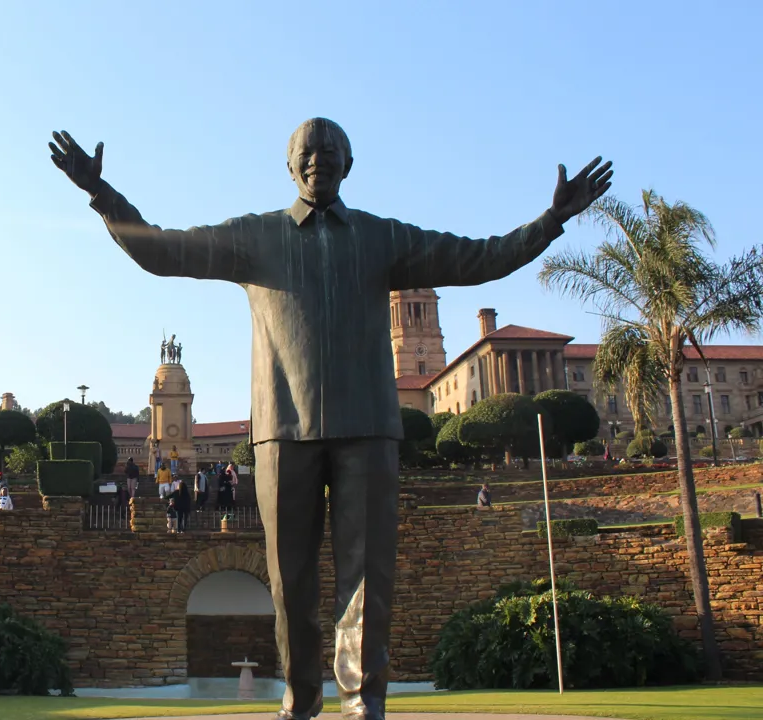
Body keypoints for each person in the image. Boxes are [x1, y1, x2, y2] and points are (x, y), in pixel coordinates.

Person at [50, 118, 611, 720]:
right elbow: (161, 250)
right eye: (307, 152)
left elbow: (477, 258)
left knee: (368, 578)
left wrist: (551, 221)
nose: (318, 159)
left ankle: (363, 700)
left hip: (367, 425)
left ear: (348, 163)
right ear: (291, 166)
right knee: (289, 583)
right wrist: (102, 196)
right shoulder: (255, 237)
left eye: (330, 151)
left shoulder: (380, 238)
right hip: (281, 429)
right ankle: (300, 697)